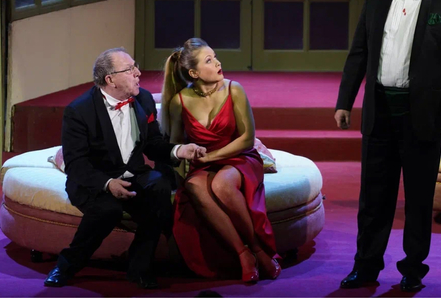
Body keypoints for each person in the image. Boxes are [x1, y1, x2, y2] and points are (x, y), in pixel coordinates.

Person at [335, 0, 441, 292]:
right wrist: (345, 102)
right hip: (380, 110)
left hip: (423, 116)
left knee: (418, 199)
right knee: (373, 198)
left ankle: (413, 270)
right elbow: (358, 55)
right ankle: (365, 267)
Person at [44, 48, 205, 289]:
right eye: (130, 70)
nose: (138, 73)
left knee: (159, 187)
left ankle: (139, 268)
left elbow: (153, 144)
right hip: (95, 180)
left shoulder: (144, 99)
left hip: (133, 174)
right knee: (108, 210)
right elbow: (76, 163)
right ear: (110, 80)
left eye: (135, 66)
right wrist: (108, 184)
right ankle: (67, 265)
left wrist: (179, 151)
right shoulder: (79, 111)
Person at [161, 38, 281, 283]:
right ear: (194, 73)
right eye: (209, 60)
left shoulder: (234, 89)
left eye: (215, 57)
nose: (218, 63)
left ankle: (258, 249)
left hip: (240, 157)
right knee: (194, 186)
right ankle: (242, 253)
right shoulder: (179, 102)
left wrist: (211, 156)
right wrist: (180, 173)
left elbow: (247, 139)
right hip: (204, 164)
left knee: (221, 184)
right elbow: (176, 146)